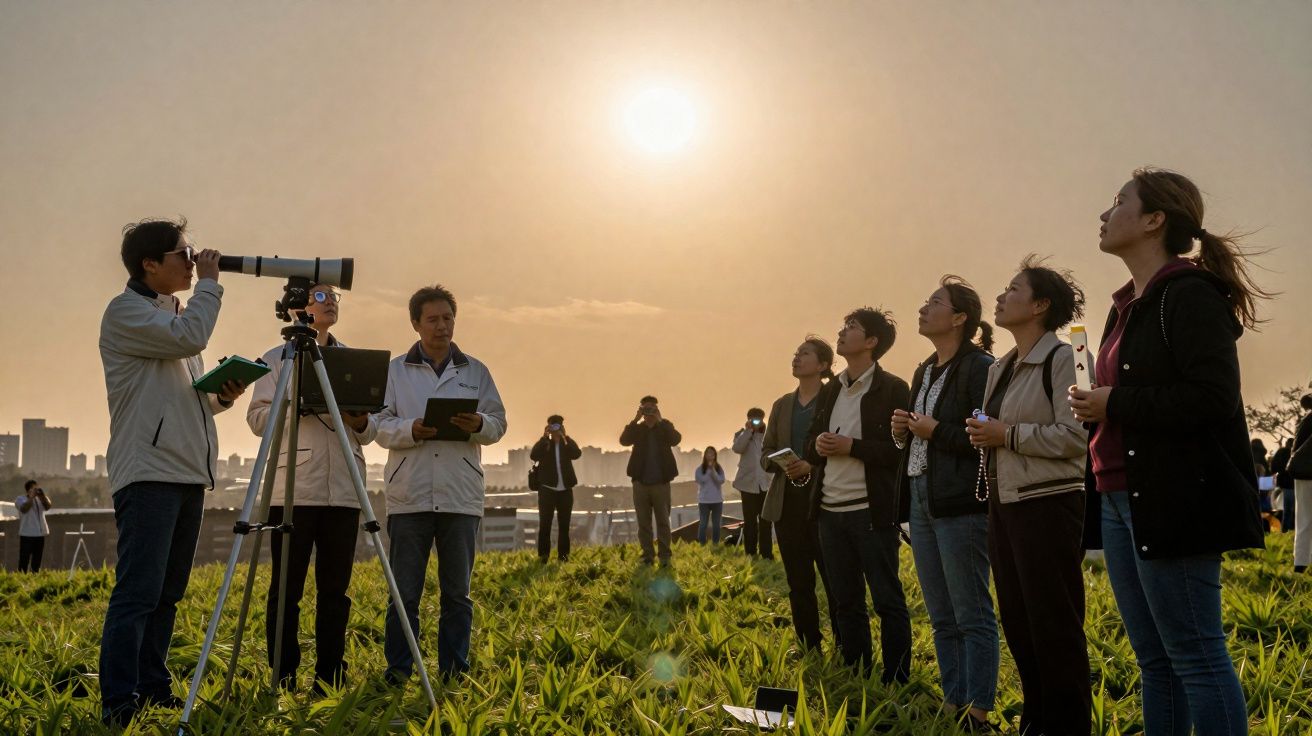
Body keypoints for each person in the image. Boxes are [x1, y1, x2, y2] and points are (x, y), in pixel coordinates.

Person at [1069, 168, 1267, 734]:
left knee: (1197, 657)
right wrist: (1098, 405)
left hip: (1170, 496)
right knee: (1156, 662)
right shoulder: (1126, 306)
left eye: (1118, 203)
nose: (1104, 216)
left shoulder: (1188, 295)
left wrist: (1116, 404)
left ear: (1155, 219)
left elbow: (1212, 397)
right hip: (1115, 495)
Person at [98, 218, 246, 727]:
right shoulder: (126, 312)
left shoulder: (170, 316)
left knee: (168, 592)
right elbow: (190, 337)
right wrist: (210, 283)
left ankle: (153, 686)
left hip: (185, 472)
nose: (191, 261)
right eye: (184, 254)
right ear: (149, 264)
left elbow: (183, 397)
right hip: (148, 472)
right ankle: (119, 702)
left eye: (193, 255)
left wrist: (219, 396)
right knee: (138, 591)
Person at [967, 258, 1091, 736]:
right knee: (1018, 623)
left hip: (1049, 503)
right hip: (1005, 502)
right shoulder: (999, 367)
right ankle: (1035, 721)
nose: (1000, 297)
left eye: (1013, 289)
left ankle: (1068, 725)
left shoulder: (1070, 356)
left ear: (1041, 305)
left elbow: (1076, 438)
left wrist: (1007, 435)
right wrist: (987, 435)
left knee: (1054, 626)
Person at [246, 283, 377, 693]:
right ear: (299, 306)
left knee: (336, 592)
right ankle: (281, 677)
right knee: (286, 591)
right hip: (293, 491)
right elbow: (256, 419)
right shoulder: (276, 359)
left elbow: (372, 428)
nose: (331, 301)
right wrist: (294, 398)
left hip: (343, 489)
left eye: (334, 295)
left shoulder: (352, 361)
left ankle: (330, 678)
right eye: (320, 296)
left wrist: (359, 420)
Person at [372, 284, 507, 681]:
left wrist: (479, 424)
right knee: (403, 595)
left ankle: (454, 673)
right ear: (415, 324)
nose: (442, 326)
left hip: (459, 497)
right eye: (432, 319)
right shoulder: (395, 371)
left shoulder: (476, 371)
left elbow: (499, 423)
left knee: (457, 595)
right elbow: (377, 425)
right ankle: (398, 670)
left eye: (447, 318)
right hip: (409, 496)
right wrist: (411, 429)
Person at [892, 277, 998, 728]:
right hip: (921, 493)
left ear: (959, 318)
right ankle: (952, 702)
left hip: (961, 502)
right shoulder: (924, 370)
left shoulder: (980, 367)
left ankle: (977, 709)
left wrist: (933, 430)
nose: (923, 308)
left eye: (934, 302)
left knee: (971, 610)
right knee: (940, 612)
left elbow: (986, 438)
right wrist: (903, 431)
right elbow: (921, 435)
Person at [806, 307, 913, 682]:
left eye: (851, 327)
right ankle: (857, 673)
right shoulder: (832, 388)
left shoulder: (894, 389)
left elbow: (899, 452)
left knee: (887, 601)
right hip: (829, 511)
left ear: (871, 342)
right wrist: (819, 444)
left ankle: (897, 678)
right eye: (843, 325)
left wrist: (851, 446)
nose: (842, 332)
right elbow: (813, 445)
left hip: (872, 512)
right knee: (845, 602)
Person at [760, 337, 841, 652]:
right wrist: (780, 461)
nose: (797, 358)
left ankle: (844, 643)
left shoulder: (833, 399)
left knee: (834, 579)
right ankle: (809, 644)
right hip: (787, 503)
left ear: (822, 365)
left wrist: (810, 464)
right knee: (798, 582)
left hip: (824, 500)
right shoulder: (782, 404)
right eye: (796, 353)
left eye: (805, 354)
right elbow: (766, 450)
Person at [619, 396, 682, 566]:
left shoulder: (664, 427)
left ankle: (664, 555)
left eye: (652, 408)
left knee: (663, 520)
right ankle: (647, 555)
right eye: (646, 408)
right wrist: (635, 419)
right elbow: (623, 440)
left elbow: (676, 439)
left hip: (661, 483)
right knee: (643, 523)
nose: (649, 412)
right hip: (640, 483)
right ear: (641, 409)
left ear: (657, 409)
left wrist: (660, 420)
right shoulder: (637, 429)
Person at [530, 415, 581, 563]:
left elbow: (577, 454)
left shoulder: (566, 444)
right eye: (553, 426)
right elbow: (534, 455)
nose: (555, 429)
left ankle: (563, 556)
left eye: (558, 426)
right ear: (549, 427)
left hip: (565, 490)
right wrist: (544, 437)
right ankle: (543, 556)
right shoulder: (545, 444)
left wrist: (566, 437)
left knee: (564, 525)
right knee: (545, 524)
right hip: (547, 489)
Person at [731, 408, 774, 558]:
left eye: (759, 419)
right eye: (753, 419)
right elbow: (737, 448)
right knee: (750, 522)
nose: (756, 422)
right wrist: (748, 432)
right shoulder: (741, 434)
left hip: (765, 484)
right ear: (748, 419)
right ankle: (750, 552)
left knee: (766, 521)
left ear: (763, 419)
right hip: (748, 485)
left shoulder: (769, 435)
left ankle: (766, 553)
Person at [1293, 395, 1312, 572]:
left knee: (1304, 520)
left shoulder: (1305, 420)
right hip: (1306, 473)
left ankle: (1301, 563)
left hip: (1304, 474)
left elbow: (1295, 449)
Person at [16, 480, 52, 573]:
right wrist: (31, 497)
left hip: (40, 534)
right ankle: (21, 576)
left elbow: (48, 507)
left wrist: (42, 496)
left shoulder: (41, 499)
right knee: (24, 559)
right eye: (33, 488)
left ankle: (34, 576)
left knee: (37, 559)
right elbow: (24, 509)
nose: (36, 490)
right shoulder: (20, 499)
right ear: (28, 490)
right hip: (27, 534)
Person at [695, 447, 726, 544]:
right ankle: (702, 543)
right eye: (708, 454)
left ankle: (715, 543)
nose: (710, 456)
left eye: (712, 454)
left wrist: (713, 470)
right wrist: (708, 470)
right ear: (705, 455)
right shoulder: (699, 469)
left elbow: (721, 481)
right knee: (703, 523)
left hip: (717, 501)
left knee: (716, 524)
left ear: (715, 456)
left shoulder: (719, 468)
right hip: (704, 501)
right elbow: (701, 480)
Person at [1270, 437, 1296, 536]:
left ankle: (1285, 530)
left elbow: (1273, 466)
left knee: (1287, 508)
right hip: (1294, 483)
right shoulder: (1296, 453)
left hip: (1285, 483)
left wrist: (1278, 474)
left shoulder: (1282, 452)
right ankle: (1290, 529)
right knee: (1292, 508)